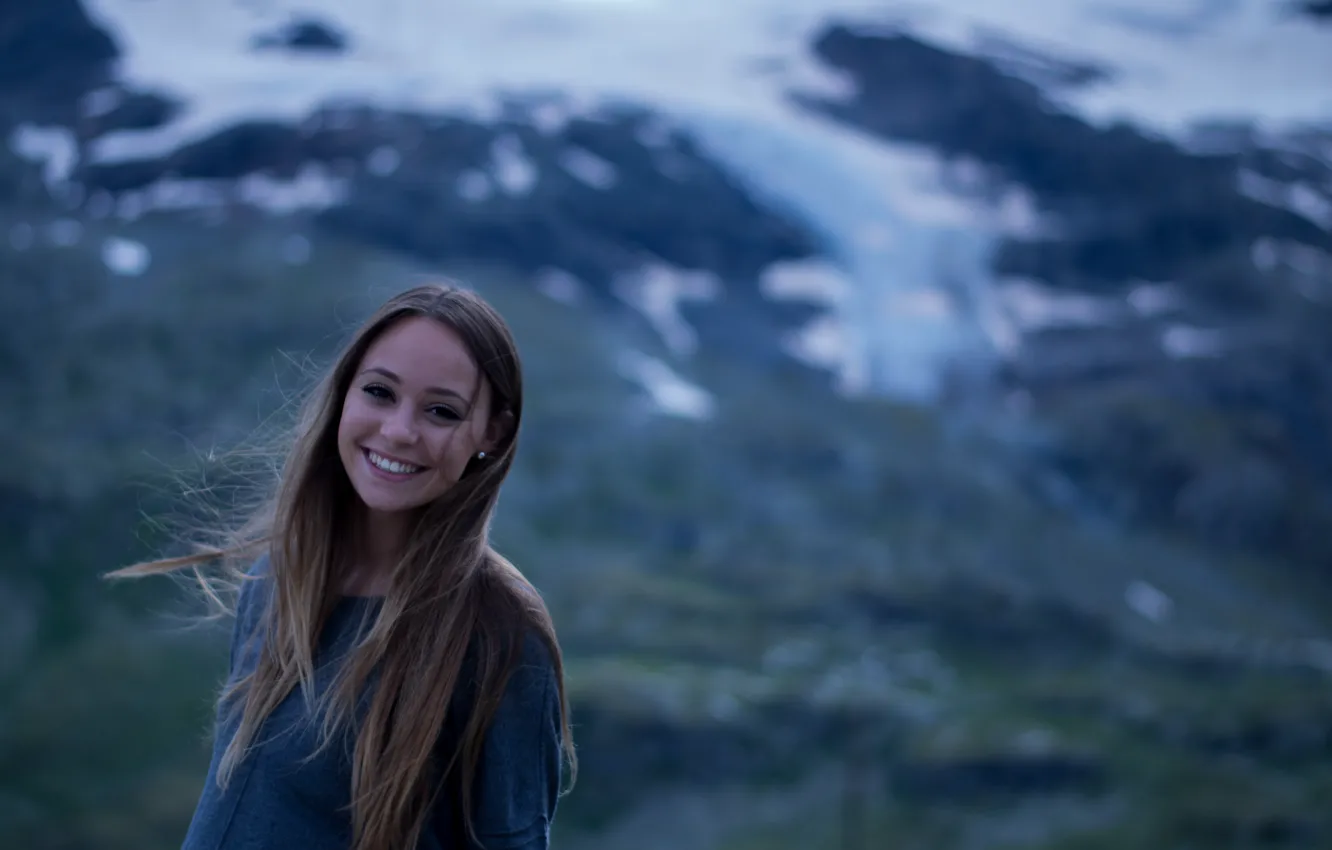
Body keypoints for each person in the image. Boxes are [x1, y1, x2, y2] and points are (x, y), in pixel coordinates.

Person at [107, 282, 576, 850]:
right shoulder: (275, 578)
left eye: (442, 411)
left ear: (492, 435)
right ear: (344, 394)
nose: (398, 431)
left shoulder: (502, 632)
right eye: (379, 392)